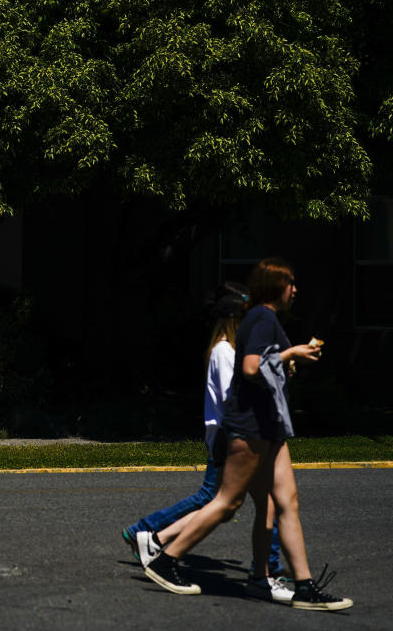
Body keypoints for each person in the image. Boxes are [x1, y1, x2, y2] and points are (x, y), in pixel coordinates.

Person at [143, 258, 353, 611]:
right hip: (251, 427)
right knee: (228, 501)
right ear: (275, 287)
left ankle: (289, 583)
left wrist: (287, 363)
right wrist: (291, 353)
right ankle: (165, 560)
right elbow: (251, 367)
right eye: (291, 284)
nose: (296, 290)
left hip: (270, 428)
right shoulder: (261, 317)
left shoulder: (266, 320)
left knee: (283, 502)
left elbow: (263, 366)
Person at [121, 283, 289, 603]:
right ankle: (152, 536)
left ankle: (152, 536)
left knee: (230, 502)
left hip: (237, 437)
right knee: (223, 500)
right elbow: (232, 399)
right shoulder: (225, 352)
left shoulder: (232, 351)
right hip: (231, 439)